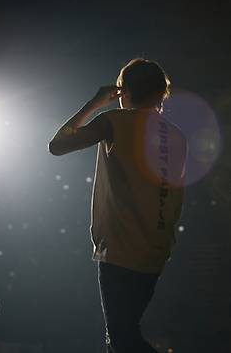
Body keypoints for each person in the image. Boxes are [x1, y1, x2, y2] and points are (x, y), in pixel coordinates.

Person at [48, 58, 188, 352]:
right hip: (156, 250)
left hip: (121, 249)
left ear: (124, 91)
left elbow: (57, 145)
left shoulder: (115, 121)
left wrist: (96, 103)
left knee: (122, 338)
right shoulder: (177, 136)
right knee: (121, 338)